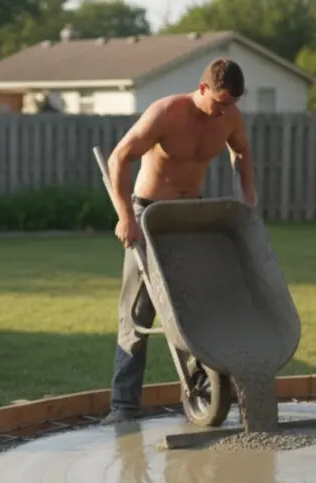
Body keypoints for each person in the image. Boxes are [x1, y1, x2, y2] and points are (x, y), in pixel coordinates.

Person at [100, 57, 257, 424]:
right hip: (149, 215)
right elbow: (119, 158)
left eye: (231, 104)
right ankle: (124, 406)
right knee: (139, 312)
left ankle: (202, 385)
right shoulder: (166, 113)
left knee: (193, 305)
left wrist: (248, 203)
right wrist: (125, 217)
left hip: (190, 216)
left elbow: (243, 153)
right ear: (203, 89)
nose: (224, 112)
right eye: (219, 102)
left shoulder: (229, 117)